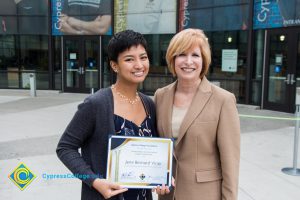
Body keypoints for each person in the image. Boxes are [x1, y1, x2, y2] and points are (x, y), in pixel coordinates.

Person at [56, 30, 157, 200]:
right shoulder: (96, 103)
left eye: (143, 57)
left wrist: (161, 178)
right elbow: (65, 148)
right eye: (129, 59)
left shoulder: (149, 104)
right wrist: (94, 181)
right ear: (114, 65)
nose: (139, 65)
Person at [154, 28, 240, 200]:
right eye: (181, 55)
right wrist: (155, 178)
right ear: (173, 59)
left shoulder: (223, 100)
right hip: (168, 194)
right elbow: (156, 147)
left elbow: (230, 162)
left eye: (195, 55)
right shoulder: (160, 96)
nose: (188, 61)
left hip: (204, 194)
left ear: (204, 60)